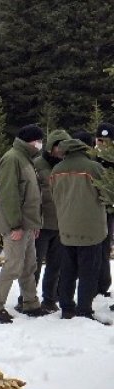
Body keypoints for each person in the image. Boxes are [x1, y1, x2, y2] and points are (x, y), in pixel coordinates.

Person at [0, 125, 47, 323]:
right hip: (17, 226)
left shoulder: (27, 159)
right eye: (39, 140)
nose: (40, 144)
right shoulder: (12, 159)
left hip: (27, 225)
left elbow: (31, 194)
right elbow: (10, 196)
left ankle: (31, 303)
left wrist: (34, 223)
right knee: (13, 266)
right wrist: (15, 226)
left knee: (29, 266)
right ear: (31, 141)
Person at [51, 136, 112, 325]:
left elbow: (55, 196)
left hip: (66, 227)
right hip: (91, 228)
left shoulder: (56, 170)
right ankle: (84, 310)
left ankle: (67, 307)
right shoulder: (94, 168)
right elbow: (108, 194)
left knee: (68, 269)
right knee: (88, 271)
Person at [16, 129, 69, 314]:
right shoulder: (37, 164)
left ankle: (49, 299)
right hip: (41, 224)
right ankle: (26, 299)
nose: (61, 150)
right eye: (58, 146)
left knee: (56, 266)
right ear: (51, 147)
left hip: (61, 224)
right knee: (33, 265)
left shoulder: (67, 165)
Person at [94, 123, 114, 300]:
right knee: (99, 247)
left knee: (104, 247)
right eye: (100, 140)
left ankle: (103, 284)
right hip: (97, 208)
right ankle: (100, 284)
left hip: (110, 208)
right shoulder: (93, 160)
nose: (102, 144)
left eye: (106, 141)